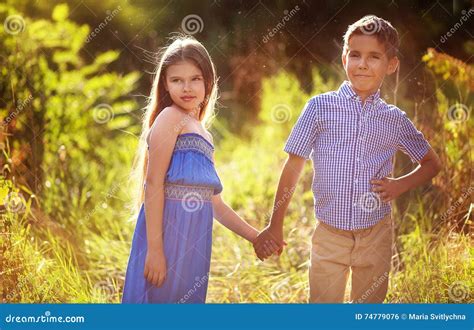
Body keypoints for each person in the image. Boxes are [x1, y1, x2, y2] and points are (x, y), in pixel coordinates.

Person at [253, 15, 442, 303]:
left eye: (374, 57)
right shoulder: (319, 108)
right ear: (344, 59)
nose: (363, 64)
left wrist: (399, 186)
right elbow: (293, 166)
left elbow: (432, 164)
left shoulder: (394, 120)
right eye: (355, 55)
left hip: (376, 234)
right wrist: (275, 223)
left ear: (391, 65)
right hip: (329, 234)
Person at [122, 36, 268, 303]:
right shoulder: (170, 118)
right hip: (164, 239)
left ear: (208, 82)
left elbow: (216, 205)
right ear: (165, 84)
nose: (186, 87)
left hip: (193, 245)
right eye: (177, 80)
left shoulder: (205, 135)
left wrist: (255, 237)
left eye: (195, 79)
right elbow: (153, 184)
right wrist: (155, 250)